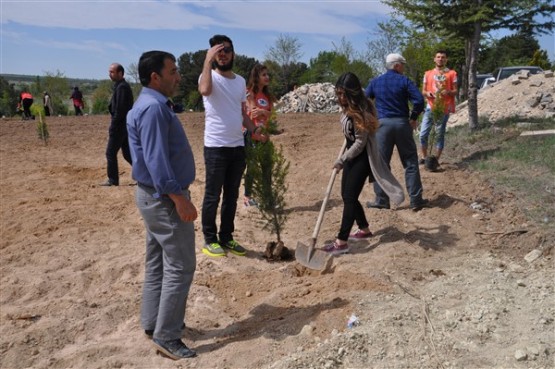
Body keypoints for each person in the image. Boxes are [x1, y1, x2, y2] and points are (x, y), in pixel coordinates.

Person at [127, 50, 197, 360]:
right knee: (181, 265)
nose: (178, 76)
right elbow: (157, 161)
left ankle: (152, 322)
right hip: (164, 199)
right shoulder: (153, 109)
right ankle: (167, 336)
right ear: (155, 76)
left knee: (157, 261)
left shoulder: (146, 104)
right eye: (173, 71)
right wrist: (179, 198)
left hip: (150, 196)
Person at [198, 34, 266, 258]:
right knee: (212, 195)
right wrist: (207, 61)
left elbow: (241, 112)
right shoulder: (207, 77)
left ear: (233, 53)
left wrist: (253, 129)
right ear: (212, 55)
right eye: (218, 50)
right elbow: (205, 91)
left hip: (237, 146)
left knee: (231, 195)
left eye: (226, 49)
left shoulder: (239, 81)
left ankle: (226, 237)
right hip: (216, 146)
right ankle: (210, 239)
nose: (223, 54)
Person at [322, 72, 405, 255]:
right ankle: (364, 229)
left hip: (363, 157)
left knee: (350, 198)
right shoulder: (347, 107)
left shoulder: (362, 110)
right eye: (339, 94)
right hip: (352, 154)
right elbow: (351, 138)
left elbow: (360, 143)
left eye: (344, 94)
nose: (341, 98)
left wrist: (342, 159)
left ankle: (341, 242)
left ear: (353, 94)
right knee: (347, 195)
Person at [364, 53, 429, 211]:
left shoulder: (376, 82)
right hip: (401, 124)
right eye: (403, 65)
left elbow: (364, 101)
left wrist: (371, 117)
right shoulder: (404, 81)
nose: (404, 68)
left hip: (382, 126)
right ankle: (416, 200)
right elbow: (419, 100)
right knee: (410, 162)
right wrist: (413, 117)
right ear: (397, 65)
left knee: (381, 164)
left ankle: (381, 200)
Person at [243, 63, 275, 207]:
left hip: (265, 136)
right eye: (264, 75)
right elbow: (252, 110)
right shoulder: (248, 92)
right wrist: (260, 111)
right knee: (252, 166)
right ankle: (247, 197)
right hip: (251, 135)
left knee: (267, 167)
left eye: (268, 74)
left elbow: (272, 116)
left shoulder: (267, 96)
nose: (267, 77)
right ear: (256, 77)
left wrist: (264, 112)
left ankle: (267, 198)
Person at [419, 50, 458, 164]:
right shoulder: (428, 73)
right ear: (434, 59)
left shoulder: (451, 73)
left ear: (446, 60)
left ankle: (435, 159)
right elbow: (423, 91)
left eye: (443, 57)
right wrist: (427, 94)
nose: (440, 59)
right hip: (430, 106)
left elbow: (455, 90)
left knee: (439, 133)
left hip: (444, 107)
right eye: (438, 57)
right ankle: (425, 157)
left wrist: (449, 92)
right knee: (423, 134)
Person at [100, 63, 134, 187]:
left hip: (120, 126)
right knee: (127, 154)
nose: (110, 74)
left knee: (110, 153)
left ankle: (113, 180)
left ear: (120, 73)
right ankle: (145, 175)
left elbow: (120, 110)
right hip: (124, 126)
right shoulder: (120, 86)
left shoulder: (122, 88)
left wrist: (113, 126)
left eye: (112, 72)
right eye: (109, 72)